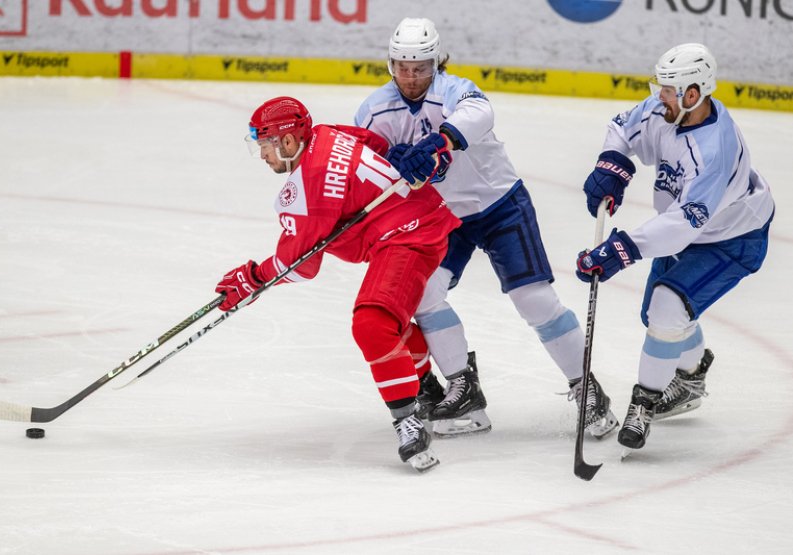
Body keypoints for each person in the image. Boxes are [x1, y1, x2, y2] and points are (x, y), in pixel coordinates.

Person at [355, 18, 619, 439]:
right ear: (390, 65)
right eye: (402, 67)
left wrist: (441, 141)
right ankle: (464, 391)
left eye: (420, 67)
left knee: (534, 300)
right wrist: (393, 169)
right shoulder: (375, 110)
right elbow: (366, 166)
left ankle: (586, 387)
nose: (410, 77)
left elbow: (481, 111)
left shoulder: (455, 90)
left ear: (436, 63)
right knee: (423, 294)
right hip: (442, 219)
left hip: (500, 206)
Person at [215, 96, 461, 472]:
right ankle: (425, 385)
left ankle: (407, 422)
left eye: (265, 145)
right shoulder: (328, 133)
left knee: (372, 324)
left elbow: (298, 266)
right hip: (418, 216)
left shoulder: (306, 188)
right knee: (386, 323)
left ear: (287, 142)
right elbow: (378, 146)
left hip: (407, 235)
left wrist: (252, 279)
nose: (262, 155)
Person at [575, 43, 775, 453]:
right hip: (683, 227)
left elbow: (686, 224)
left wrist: (622, 248)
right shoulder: (663, 107)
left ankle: (644, 404)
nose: (658, 96)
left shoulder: (713, 150)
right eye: (662, 87)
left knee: (668, 307)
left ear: (694, 94)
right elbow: (621, 127)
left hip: (731, 236)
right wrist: (611, 164)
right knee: (659, 316)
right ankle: (692, 374)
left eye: (669, 90)